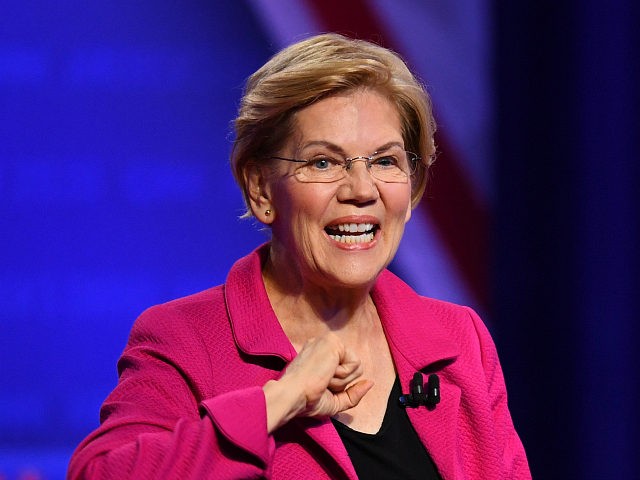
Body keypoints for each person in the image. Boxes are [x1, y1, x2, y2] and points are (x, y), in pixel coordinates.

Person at [68, 33, 530, 479]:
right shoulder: (187, 340)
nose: (361, 191)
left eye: (385, 161)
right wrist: (278, 401)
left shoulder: (459, 340)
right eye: (323, 162)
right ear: (261, 189)